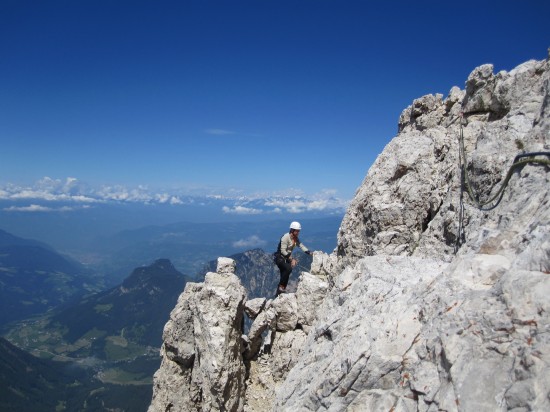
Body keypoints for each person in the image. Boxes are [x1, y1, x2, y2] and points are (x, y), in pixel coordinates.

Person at [274, 221, 312, 296]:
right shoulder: (285, 237)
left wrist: (309, 252)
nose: (298, 232)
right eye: (297, 231)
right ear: (292, 230)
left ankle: (280, 292)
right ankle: (281, 288)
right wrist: (292, 259)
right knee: (288, 269)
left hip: (286, 258)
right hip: (280, 258)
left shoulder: (295, 239)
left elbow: (301, 245)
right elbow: (283, 251)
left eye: (298, 231)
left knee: (286, 274)